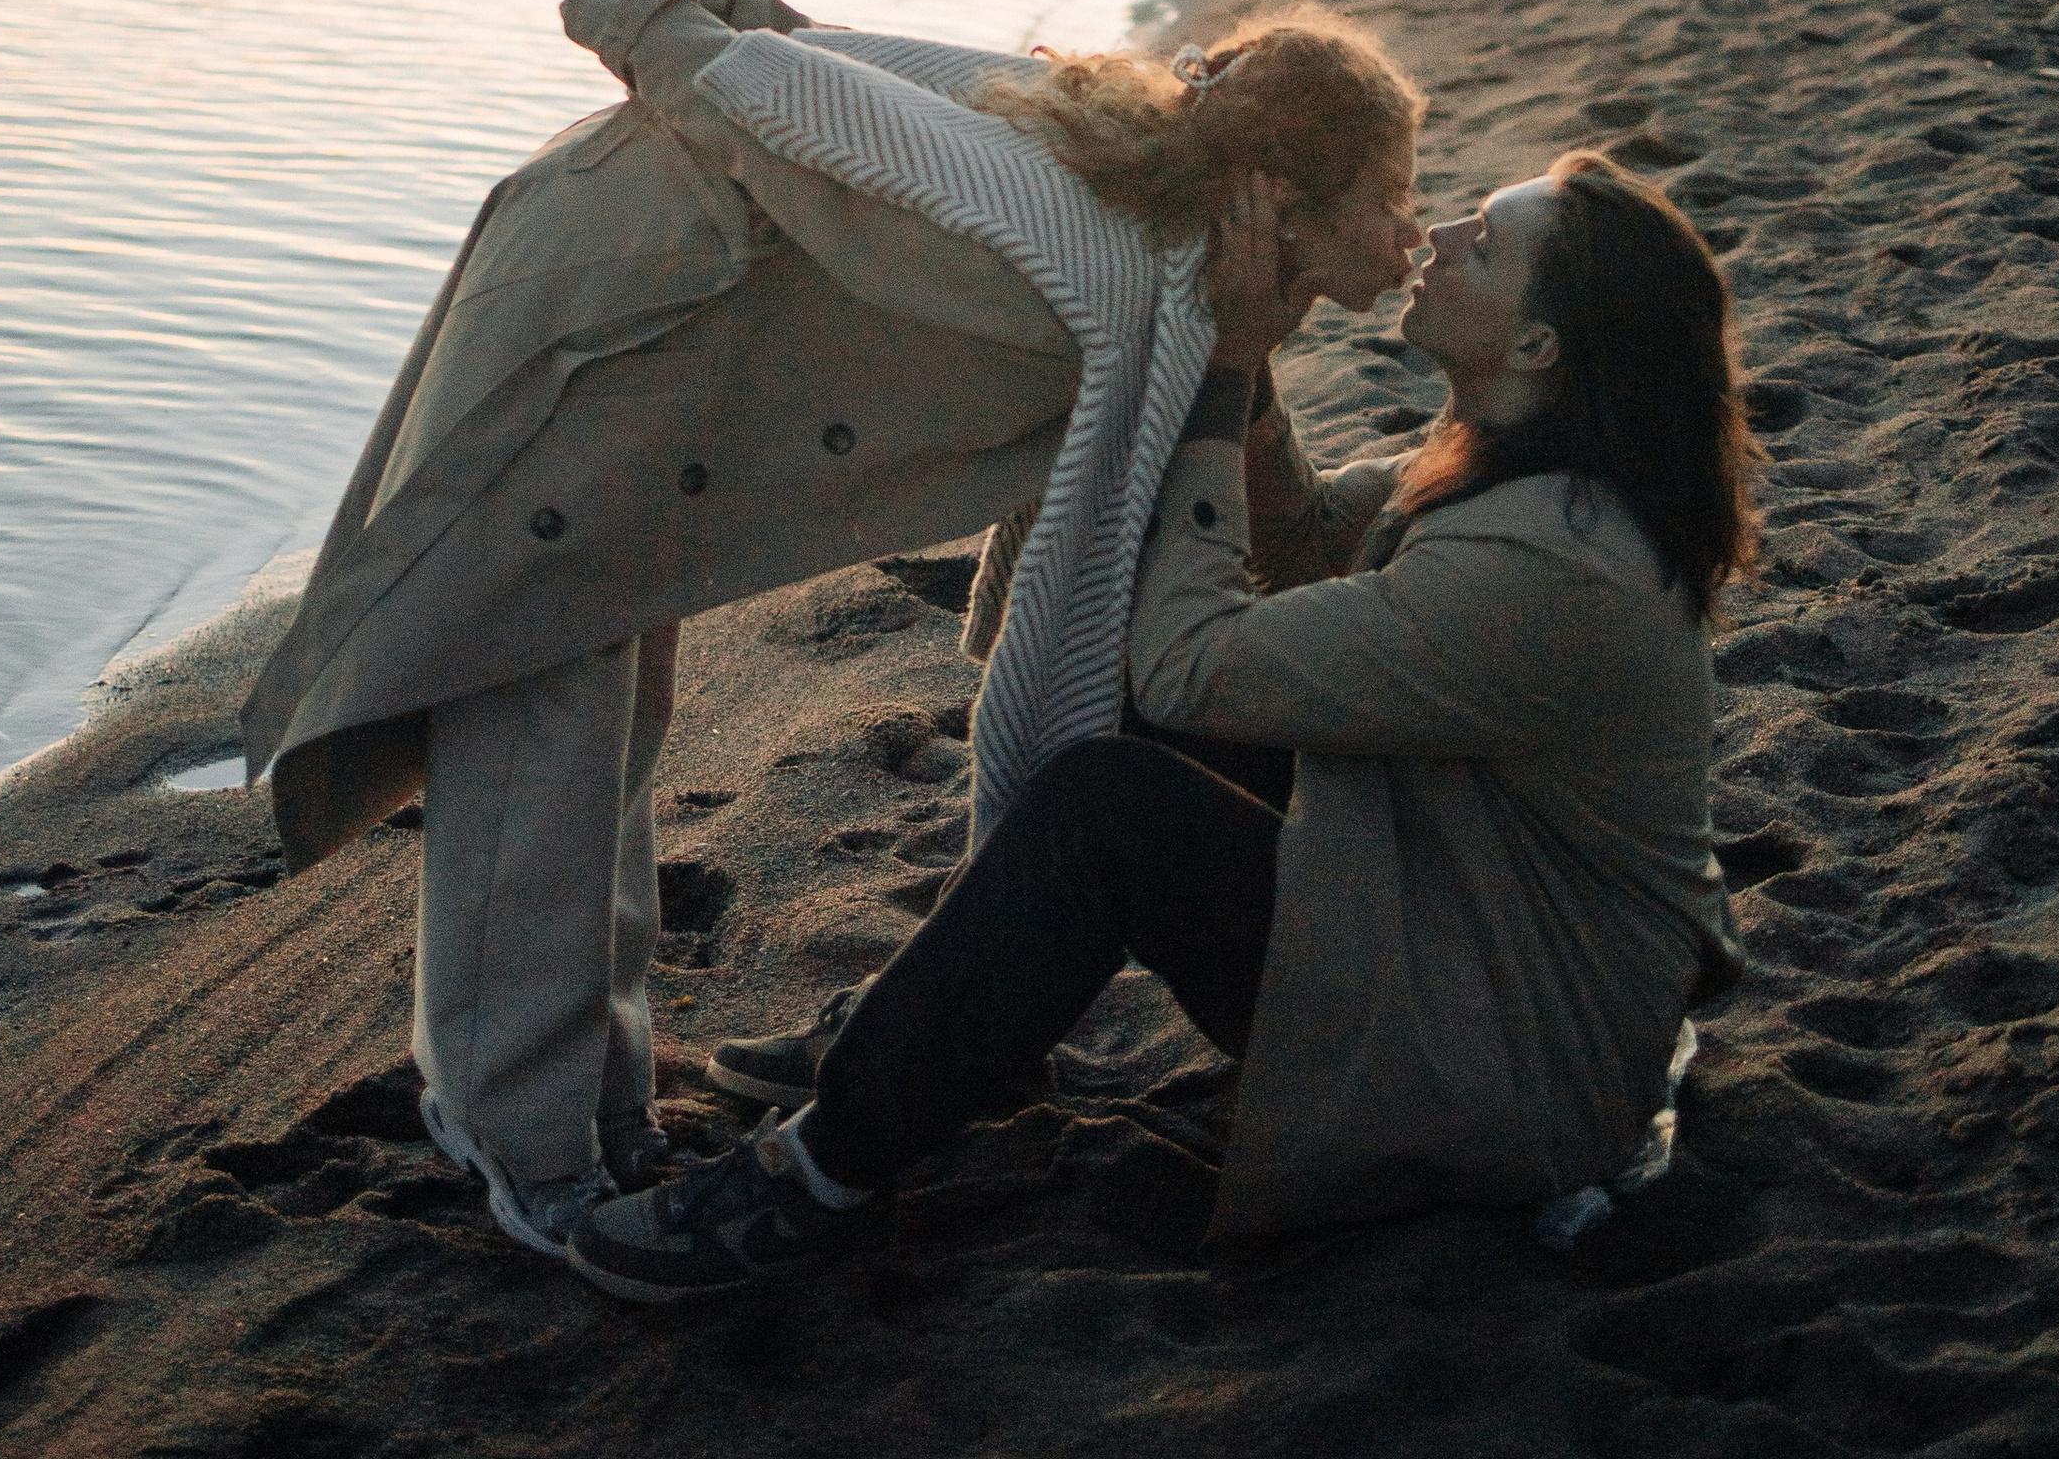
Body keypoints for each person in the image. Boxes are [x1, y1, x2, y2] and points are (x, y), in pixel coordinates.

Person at [241, 0, 1424, 1257]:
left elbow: (907, 76)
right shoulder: (1095, 246)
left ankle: (601, 1111)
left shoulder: (1190, 259)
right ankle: (522, 1146)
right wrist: (646, 20)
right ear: (1279, 193)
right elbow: (798, 100)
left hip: (693, 371)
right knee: (540, 722)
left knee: (614, 714)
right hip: (597, 324)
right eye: (1390, 200)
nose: (1411, 235)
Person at [564, 142, 1757, 1303]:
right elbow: (1291, 545)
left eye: (1482, 244)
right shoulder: (1505, 472)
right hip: (1458, 922)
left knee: (1112, 799)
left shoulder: (1550, 562)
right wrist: (1255, 353)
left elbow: (1191, 661)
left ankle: (811, 1179)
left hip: (1521, 1061)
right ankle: (961, 1031)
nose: (1439, 237)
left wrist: (1226, 360)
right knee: (1136, 719)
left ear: (1538, 345)